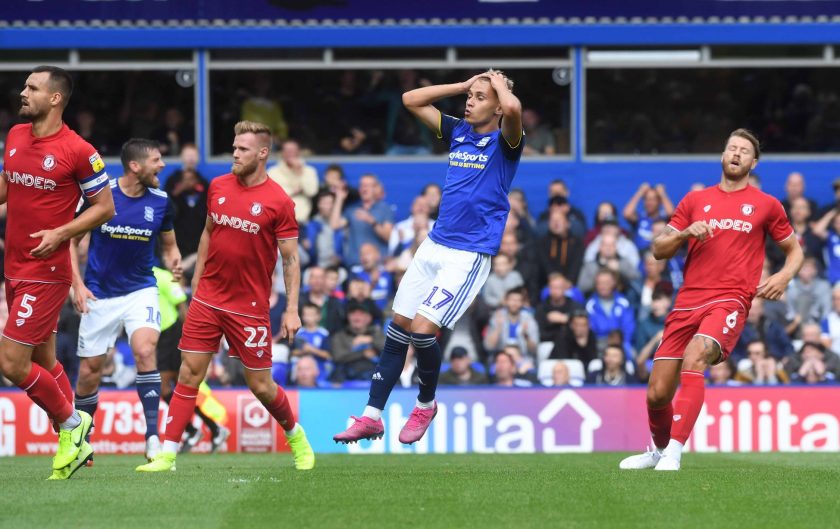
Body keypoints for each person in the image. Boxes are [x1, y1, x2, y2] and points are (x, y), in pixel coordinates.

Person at [333, 69, 523, 445]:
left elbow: (514, 107)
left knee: (423, 330)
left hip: (467, 255)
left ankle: (426, 403)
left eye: (480, 98)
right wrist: (465, 84)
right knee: (398, 327)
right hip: (433, 245)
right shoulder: (459, 131)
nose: (470, 101)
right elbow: (410, 100)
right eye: (471, 96)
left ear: (498, 107)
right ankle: (372, 416)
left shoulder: (506, 142)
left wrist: (497, 85)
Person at [620, 129, 803, 472]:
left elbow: (795, 251)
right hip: (687, 300)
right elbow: (659, 249)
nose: (736, 154)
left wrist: (783, 276)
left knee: (697, 354)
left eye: (744, 151)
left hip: (730, 299)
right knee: (657, 393)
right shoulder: (694, 201)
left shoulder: (766, 204)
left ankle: (674, 451)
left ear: (753, 162)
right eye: (731, 148)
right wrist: (687, 232)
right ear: (722, 155)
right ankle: (658, 450)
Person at [136, 121, 314, 472]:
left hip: (248, 307)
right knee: (189, 374)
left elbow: (291, 259)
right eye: (234, 147)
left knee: (261, 385)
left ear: (262, 153)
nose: (235, 153)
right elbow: (207, 236)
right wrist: (197, 286)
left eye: (243, 149)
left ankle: (296, 437)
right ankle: (167, 454)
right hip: (207, 299)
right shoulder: (217, 186)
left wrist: (292, 309)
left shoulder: (279, 201)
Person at [0, 66, 116, 480]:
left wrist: (61, 233)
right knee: (44, 359)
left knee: (12, 363)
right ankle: (79, 447)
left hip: (46, 270)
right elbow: (7, 186)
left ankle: (72, 424)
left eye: (32, 87)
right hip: (13, 266)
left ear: (55, 98)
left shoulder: (79, 150)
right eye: (25, 85)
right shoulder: (14, 136)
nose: (23, 92)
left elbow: (105, 207)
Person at [71, 138, 182, 463]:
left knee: (145, 350)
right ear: (135, 166)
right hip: (99, 293)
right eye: (157, 160)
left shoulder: (161, 202)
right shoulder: (101, 195)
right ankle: (82, 441)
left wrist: (174, 261)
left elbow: (170, 245)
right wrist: (76, 284)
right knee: (90, 371)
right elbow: (71, 240)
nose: (162, 166)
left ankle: (152, 438)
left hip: (141, 289)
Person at [267, 139, 319, 224]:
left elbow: (312, 192)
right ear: (282, 152)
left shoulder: (309, 171)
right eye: (287, 150)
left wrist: (299, 172)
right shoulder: (272, 171)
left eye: (292, 150)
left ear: (298, 152)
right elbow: (271, 195)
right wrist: (294, 191)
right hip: (278, 218)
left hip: (301, 219)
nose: (289, 153)